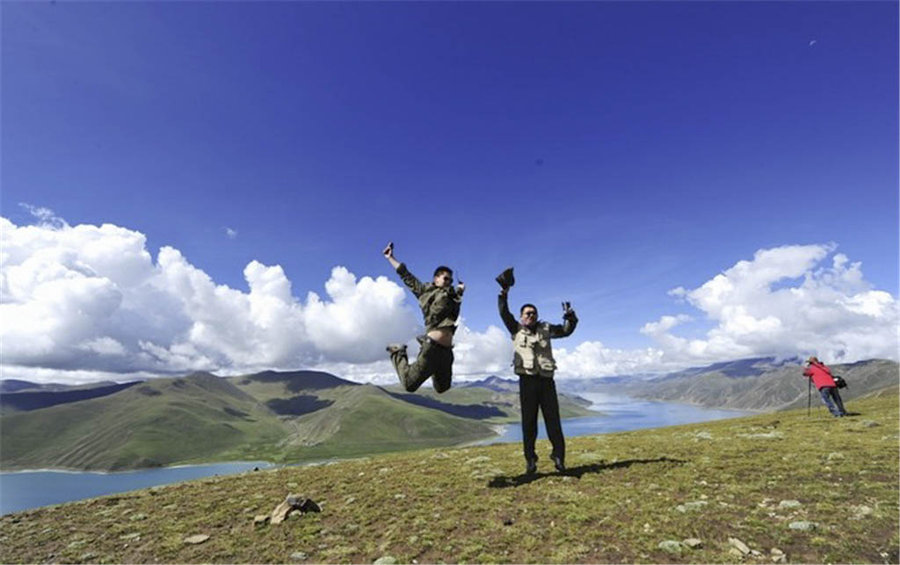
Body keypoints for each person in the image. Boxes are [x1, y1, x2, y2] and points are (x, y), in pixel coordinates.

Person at [496, 267, 577, 474]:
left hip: (547, 382)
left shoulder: (547, 329)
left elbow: (566, 331)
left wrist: (571, 317)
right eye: (527, 313)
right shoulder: (515, 329)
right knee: (528, 424)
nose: (530, 315)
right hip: (527, 381)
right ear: (522, 317)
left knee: (554, 422)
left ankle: (559, 458)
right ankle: (530, 460)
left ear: (537, 316)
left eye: (533, 313)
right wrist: (504, 292)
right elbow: (504, 312)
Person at [383, 242, 464, 394]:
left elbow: (454, 312)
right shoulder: (425, 292)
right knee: (409, 385)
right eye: (446, 279)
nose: (448, 282)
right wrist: (391, 258)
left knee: (442, 388)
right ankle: (398, 352)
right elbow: (406, 276)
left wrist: (460, 292)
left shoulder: (453, 298)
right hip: (432, 348)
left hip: (447, 352)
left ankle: (431, 367)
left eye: (450, 280)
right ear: (436, 279)